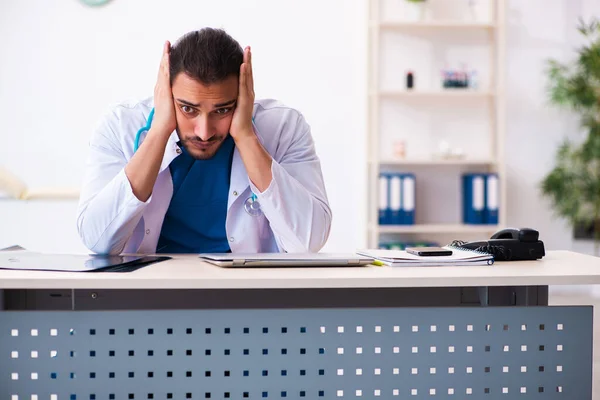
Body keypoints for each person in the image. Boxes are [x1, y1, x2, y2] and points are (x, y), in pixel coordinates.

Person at [76, 28, 332, 255]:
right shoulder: (121, 125)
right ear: (165, 92)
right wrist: (158, 133)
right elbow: (98, 240)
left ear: (244, 96)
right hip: (151, 291)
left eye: (222, 110)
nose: (204, 131)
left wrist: (246, 136)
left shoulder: (284, 128)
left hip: (250, 293)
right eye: (188, 108)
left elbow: (308, 242)